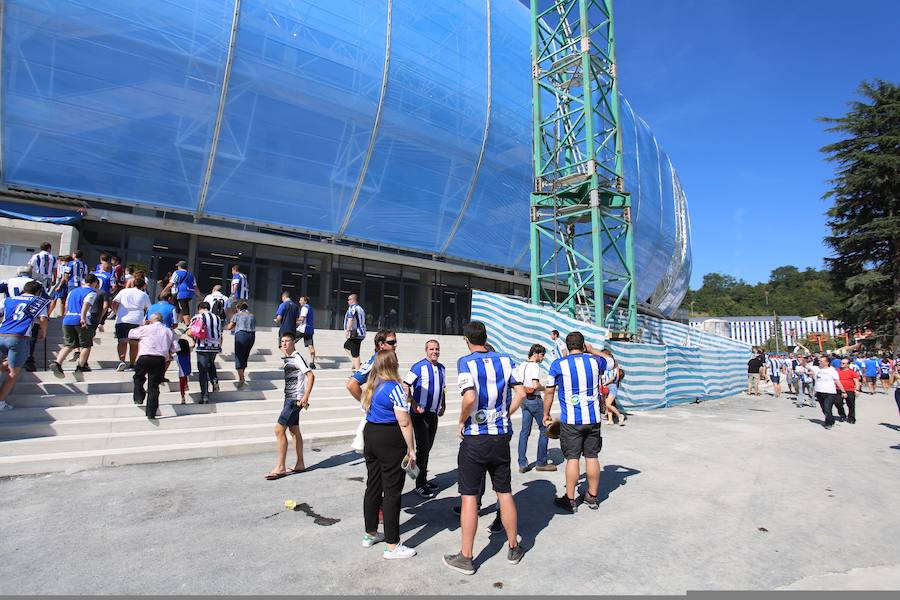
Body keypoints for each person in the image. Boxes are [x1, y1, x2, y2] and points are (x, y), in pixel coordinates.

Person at [443, 321, 525, 576]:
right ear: (486, 338)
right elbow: (521, 393)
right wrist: (503, 414)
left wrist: (460, 420)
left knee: (469, 497)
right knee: (505, 492)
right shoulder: (506, 359)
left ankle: (466, 556)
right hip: (500, 437)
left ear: (467, 340)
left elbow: (469, 398)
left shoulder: (466, 362)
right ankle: (513, 547)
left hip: (475, 439)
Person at [359, 350, 417, 560]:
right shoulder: (395, 388)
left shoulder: (371, 386)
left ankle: (370, 533)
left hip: (371, 435)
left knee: (373, 485)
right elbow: (404, 421)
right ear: (394, 364)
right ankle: (393, 545)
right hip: (389, 438)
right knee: (392, 492)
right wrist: (411, 448)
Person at [543, 331, 608, 513]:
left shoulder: (558, 364)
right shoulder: (594, 361)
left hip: (571, 420)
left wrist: (546, 413)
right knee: (592, 456)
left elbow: (549, 391)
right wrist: (593, 350)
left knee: (572, 458)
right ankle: (592, 496)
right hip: (593, 418)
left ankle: (570, 499)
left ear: (568, 345)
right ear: (583, 344)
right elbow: (611, 363)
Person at [267, 332, 314, 480]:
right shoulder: (289, 358)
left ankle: (280, 467)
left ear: (294, 342)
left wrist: (306, 396)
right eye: (282, 341)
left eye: (287, 341)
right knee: (294, 430)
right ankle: (300, 463)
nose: (284, 343)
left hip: (295, 400)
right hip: (290, 398)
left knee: (279, 429)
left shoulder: (297, 358)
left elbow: (311, 375)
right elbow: (284, 349)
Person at [403, 339, 446, 498]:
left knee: (427, 448)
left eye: (437, 349)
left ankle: (423, 478)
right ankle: (419, 483)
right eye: (431, 349)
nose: (434, 351)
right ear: (426, 351)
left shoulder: (442, 368)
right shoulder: (418, 367)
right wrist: (412, 403)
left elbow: (443, 388)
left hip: (433, 413)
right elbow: (405, 385)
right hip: (420, 414)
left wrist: (443, 404)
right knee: (423, 448)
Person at [0, 280, 49, 411]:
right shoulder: (38, 301)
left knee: (6, 364)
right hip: (19, 337)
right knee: (13, 372)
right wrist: (43, 332)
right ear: (38, 292)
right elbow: (43, 319)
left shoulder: (8, 299)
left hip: (2, 334)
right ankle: (1, 402)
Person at [128, 313, 178, 420]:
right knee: (154, 386)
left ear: (150, 320)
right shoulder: (168, 331)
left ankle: (138, 396)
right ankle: (151, 412)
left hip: (144, 356)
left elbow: (131, 334)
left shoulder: (145, 329)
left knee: (138, 377)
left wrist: (141, 325)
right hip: (159, 359)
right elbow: (175, 348)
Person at [50, 274, 100, 377]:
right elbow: (86, 305)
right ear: (94, 283)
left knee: (69, 344)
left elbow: (67, 305)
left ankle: (58, 363)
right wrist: (83, 318)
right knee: (86, 345)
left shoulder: (73, 291)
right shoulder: (91, 292)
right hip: (80, 320)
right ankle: (80, 366)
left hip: (68, 319)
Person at [516, 343, 555, 473]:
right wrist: (546, 389)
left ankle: (522, 463)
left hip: (524, 400)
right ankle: (541, 462)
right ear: (536, 354)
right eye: (542, 355)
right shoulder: (535, 366)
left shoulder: (522, 365)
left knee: (524, 432)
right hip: (535, 400)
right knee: (545, 429)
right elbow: (535, 384)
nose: (543, 358)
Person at [111, 277, 151, 371]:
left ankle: (122, 360)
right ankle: (132, 364)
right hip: (136, 320)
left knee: (122, 341)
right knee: (134, 343)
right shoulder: (144, 295)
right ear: (144, 285)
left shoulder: (123, 291)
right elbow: (148, 308)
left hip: (122, 319)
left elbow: (114, 302)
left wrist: (116, 312)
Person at [189, 301, 222, 404]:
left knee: (203, 371)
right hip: (215, 346)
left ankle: (205, 396)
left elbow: (191, 331)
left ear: (200, 308)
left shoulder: (198, 317)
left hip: (203, 345)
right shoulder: (217, 318)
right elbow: (220, 332)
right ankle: (214, 379)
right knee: (210, 364)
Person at [810, 355, 848, 429]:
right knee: (824, 408)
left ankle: (828, 423)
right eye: (819, 361)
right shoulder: (816, 368)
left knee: (827, 408)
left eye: (821, 361)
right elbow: (805, 365)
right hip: (819, 392)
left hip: (830, 392)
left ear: (827, 362)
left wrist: (843, 391)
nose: (819, 362)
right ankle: (831, 420)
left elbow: (837, 381)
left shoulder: (832, 370)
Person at [162, 261, 202, 327]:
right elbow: (195, 287)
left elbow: (171, 284)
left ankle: (187, 325)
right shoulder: (191, 274)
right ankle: (180, 322)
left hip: (180, 293)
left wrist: (163, 291)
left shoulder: (177, 273)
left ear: (179, 267)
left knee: (183, 308)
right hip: (189, 294)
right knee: (181, 307)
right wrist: (199, 296)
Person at [227, 302, 256, 388]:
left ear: (238, 308)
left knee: (239, 356)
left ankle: (241, 378)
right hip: (251, 336)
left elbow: (229, 327)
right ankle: (242, 374)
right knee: (245, 356)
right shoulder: (252, 315)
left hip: (241, 335)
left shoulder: (237, 315)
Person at [343, 294, 366, 371]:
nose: (348, 301)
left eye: (349, 299)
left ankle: (357, 371)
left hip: (356, 333)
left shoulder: (352, 308)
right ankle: (356, 362)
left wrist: (347, 330)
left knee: (355, 353)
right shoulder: (360, 308)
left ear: (353, 300)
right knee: (346, 346)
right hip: (361, 333)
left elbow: (350, 319)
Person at [603, 359, 626, 426]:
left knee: (608, 404)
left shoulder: (615, 369)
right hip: (607, 387)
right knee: (608, 404)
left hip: (612, 387)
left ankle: (620, 415)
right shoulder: (607, 369)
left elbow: (612, 378)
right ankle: (610, 420)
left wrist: (605, 383)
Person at [837, 358, 861, 424]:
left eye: (843, 363)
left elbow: (856, 382)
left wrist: (857, 390)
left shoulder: (852, 372)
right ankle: (842, 414)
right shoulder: (837, 371)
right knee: (837, 402)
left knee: (851, 405)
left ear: (848, 365)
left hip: (850, 390)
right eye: (841, 363)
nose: (841, 364)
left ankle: (851, 418)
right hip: (838, 389)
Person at [297, 295, 317, 369]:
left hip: (303, 329)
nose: (299, 301)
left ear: (305, 301)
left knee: (290, 340)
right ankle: (312, 363)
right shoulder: (310, 308)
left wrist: (293, 322)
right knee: (310, 345)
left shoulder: (305, 307)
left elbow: (302, 318)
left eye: (301, 300)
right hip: (310, 329)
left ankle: (290, 359)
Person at [175, 338, 192, 404]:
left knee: (181, 384)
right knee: (185, 378)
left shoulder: (177, 355)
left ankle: (183, 397)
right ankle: (186, 385)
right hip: (188, 369)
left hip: (181, 371)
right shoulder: (188, 352)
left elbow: (170, 358)